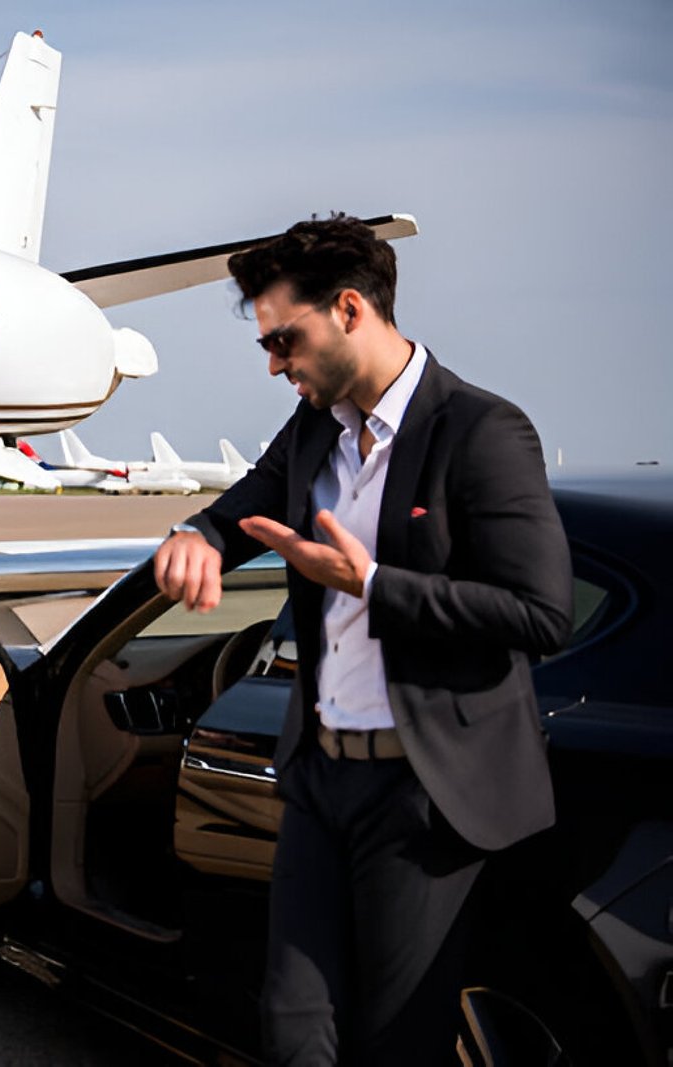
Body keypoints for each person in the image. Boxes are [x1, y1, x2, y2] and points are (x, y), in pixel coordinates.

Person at [153, 215, 572, 1064]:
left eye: (283, 338)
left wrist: (372, 583)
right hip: (320, 776)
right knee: (292, 1023)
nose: (274, 363)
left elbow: (540, 613)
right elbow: (244, 505)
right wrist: (196, 531)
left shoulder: (482, 431)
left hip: (423, 793)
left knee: (396, 1039)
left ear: (349, 309)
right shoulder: (315, 427)